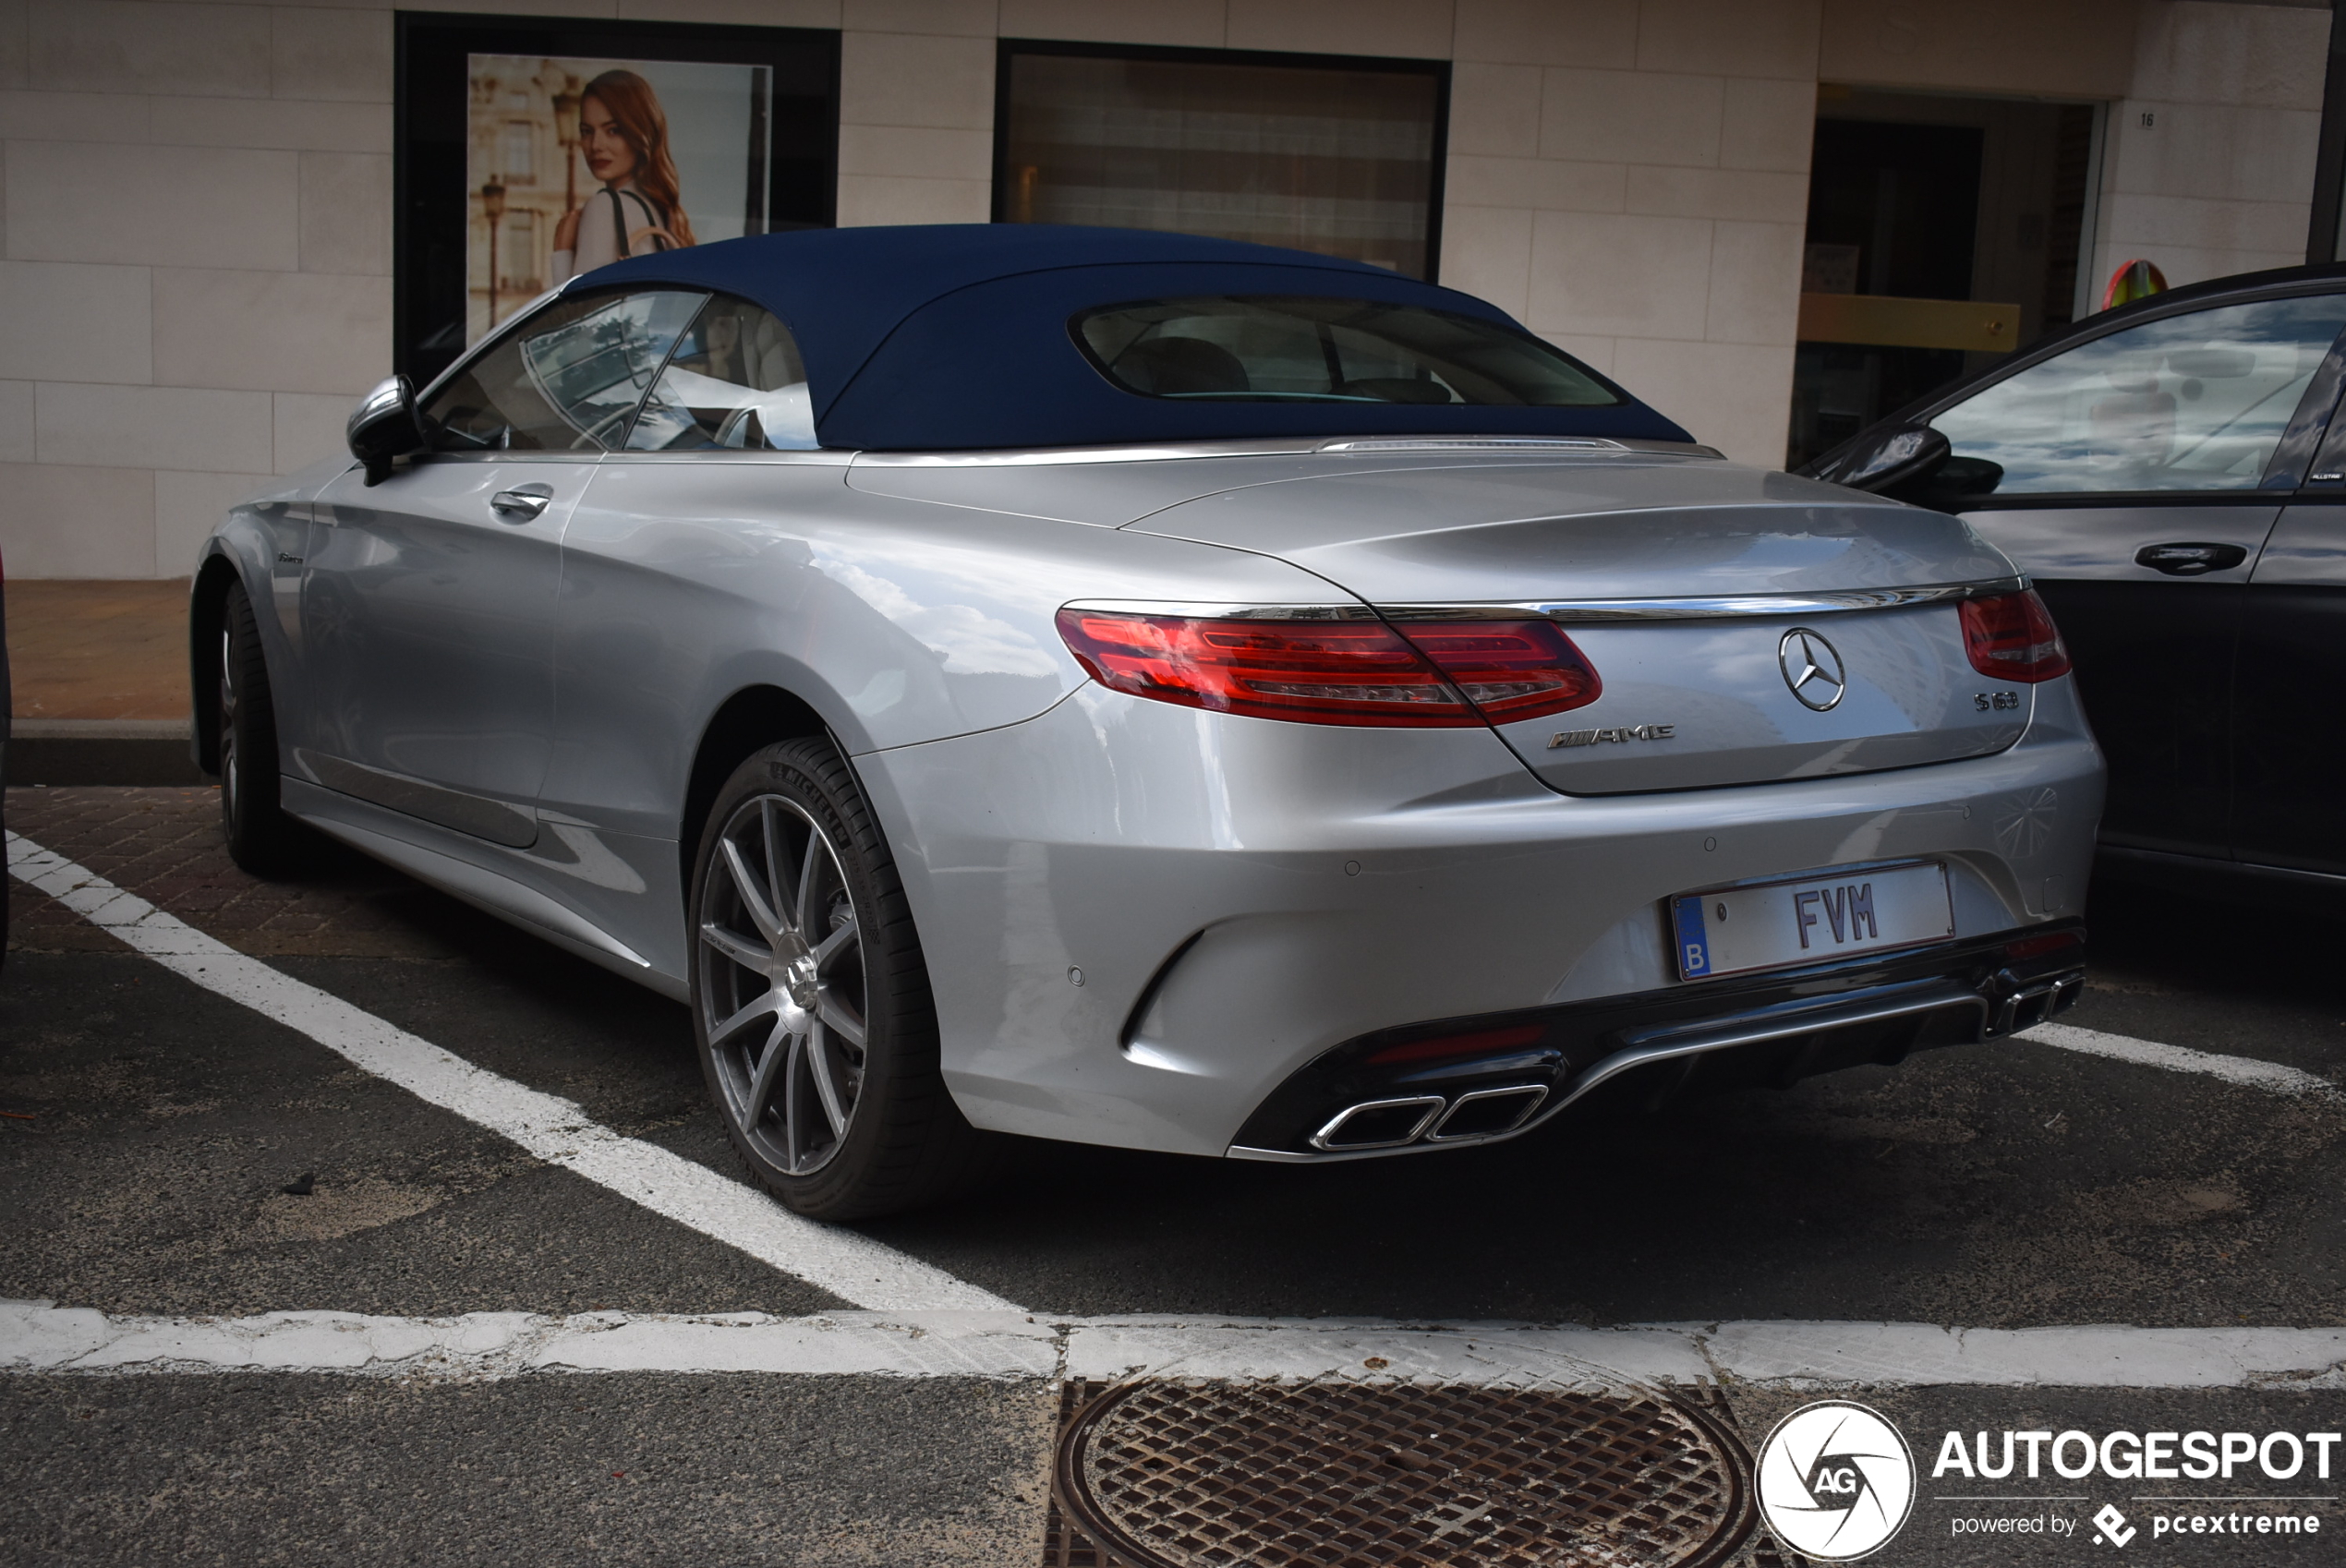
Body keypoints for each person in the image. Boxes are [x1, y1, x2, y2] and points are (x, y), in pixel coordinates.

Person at [550, 69, 696, 280]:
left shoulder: (605, 206)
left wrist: (562, 251)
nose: (596, 145)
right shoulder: (657, 212)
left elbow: (581, 312)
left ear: (639, 133)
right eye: (587, 131)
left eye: (613, 130)